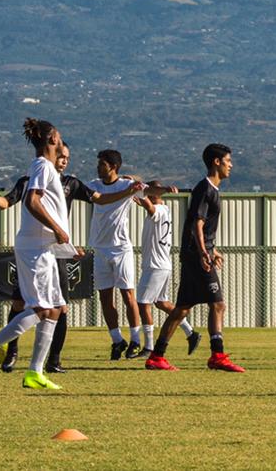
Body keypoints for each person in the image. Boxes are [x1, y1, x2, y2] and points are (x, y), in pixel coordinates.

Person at [0, 140, 141, 371]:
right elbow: (8, 202)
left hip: (57, 254)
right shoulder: (32, 179)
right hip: (36, 251)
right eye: (61, 155)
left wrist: (69, 247)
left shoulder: (71, 184)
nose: (63, 160)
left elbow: (101, 198)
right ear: (51, 152)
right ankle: (7, 351)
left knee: (59, 308)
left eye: (67, 158)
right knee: (25, 304)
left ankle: (49, 362)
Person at [0, 118, 75, 391]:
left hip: (45, 248)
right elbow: (32, 200)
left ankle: (35, 372)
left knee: (54, 310)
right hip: (34, 248)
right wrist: (57, 228)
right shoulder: (41, 166)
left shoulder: (47, 168)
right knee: (40, 309)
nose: (61, 141)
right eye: (59, 136)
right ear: (52, 140)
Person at [146, 143, 243, 373]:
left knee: (181, 309)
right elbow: (197, 224)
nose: (231, 165)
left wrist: (213, 249)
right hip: (196, 256)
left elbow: (205, 228)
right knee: (218, 304)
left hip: (198, 254)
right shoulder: (204, 188)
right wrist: (203, 253)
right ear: (216, 162)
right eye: (228, 161)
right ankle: (217, 355)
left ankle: (156, 356)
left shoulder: (213, 190)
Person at [88, 149, 148, 360]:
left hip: (121, 248)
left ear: (113, 167)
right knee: (105, 297)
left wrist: (135, 180)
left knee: (127, 295)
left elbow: (148, 187)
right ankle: (116, 340)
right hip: (100, 247)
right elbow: (101, 199)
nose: (98, 167)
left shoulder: (125, 184)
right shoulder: (94, 185)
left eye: (102, 163)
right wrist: (129, 190)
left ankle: (135, 340)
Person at [134, 181, 199, 357]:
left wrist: (140, 190)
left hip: (155, 266)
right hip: (161, 264)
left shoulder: (159, 210)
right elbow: (144, 203)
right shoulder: (165, 209)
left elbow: (148, 205)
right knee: (161, 302)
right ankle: (191, 333)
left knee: (143, 303)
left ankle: (148, 347)